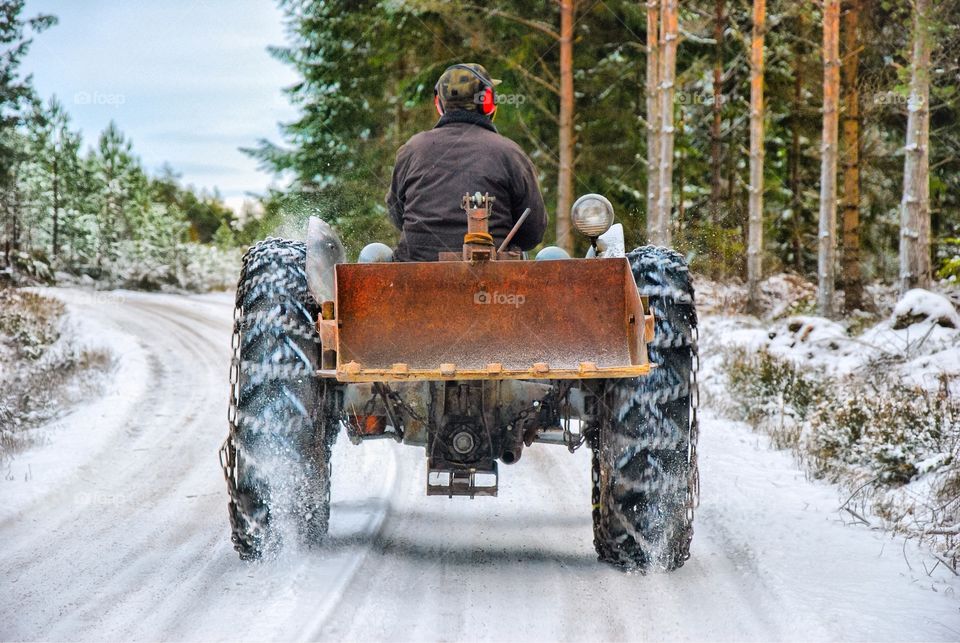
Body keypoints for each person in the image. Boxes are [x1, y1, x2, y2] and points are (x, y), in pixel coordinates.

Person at [386, 63, 547, 262]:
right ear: (488, 102)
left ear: (439, 103)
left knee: (374, 254)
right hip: (497, 280)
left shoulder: (412, 149)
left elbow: (396, 214)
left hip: (411, 277)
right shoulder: (510, 152)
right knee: (551, 256)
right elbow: (532, 233)